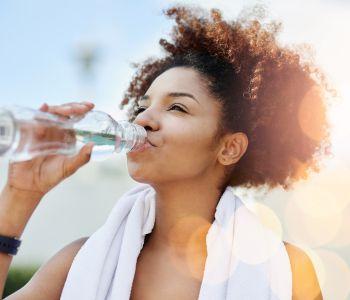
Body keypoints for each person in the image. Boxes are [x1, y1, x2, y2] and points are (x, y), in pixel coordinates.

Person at [0, 4, 331, 299]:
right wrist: (19, 195)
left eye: (177, 107)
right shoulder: (77, 263)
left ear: (229, 148)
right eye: (143, 107)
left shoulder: (288, 272)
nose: (143, 119)